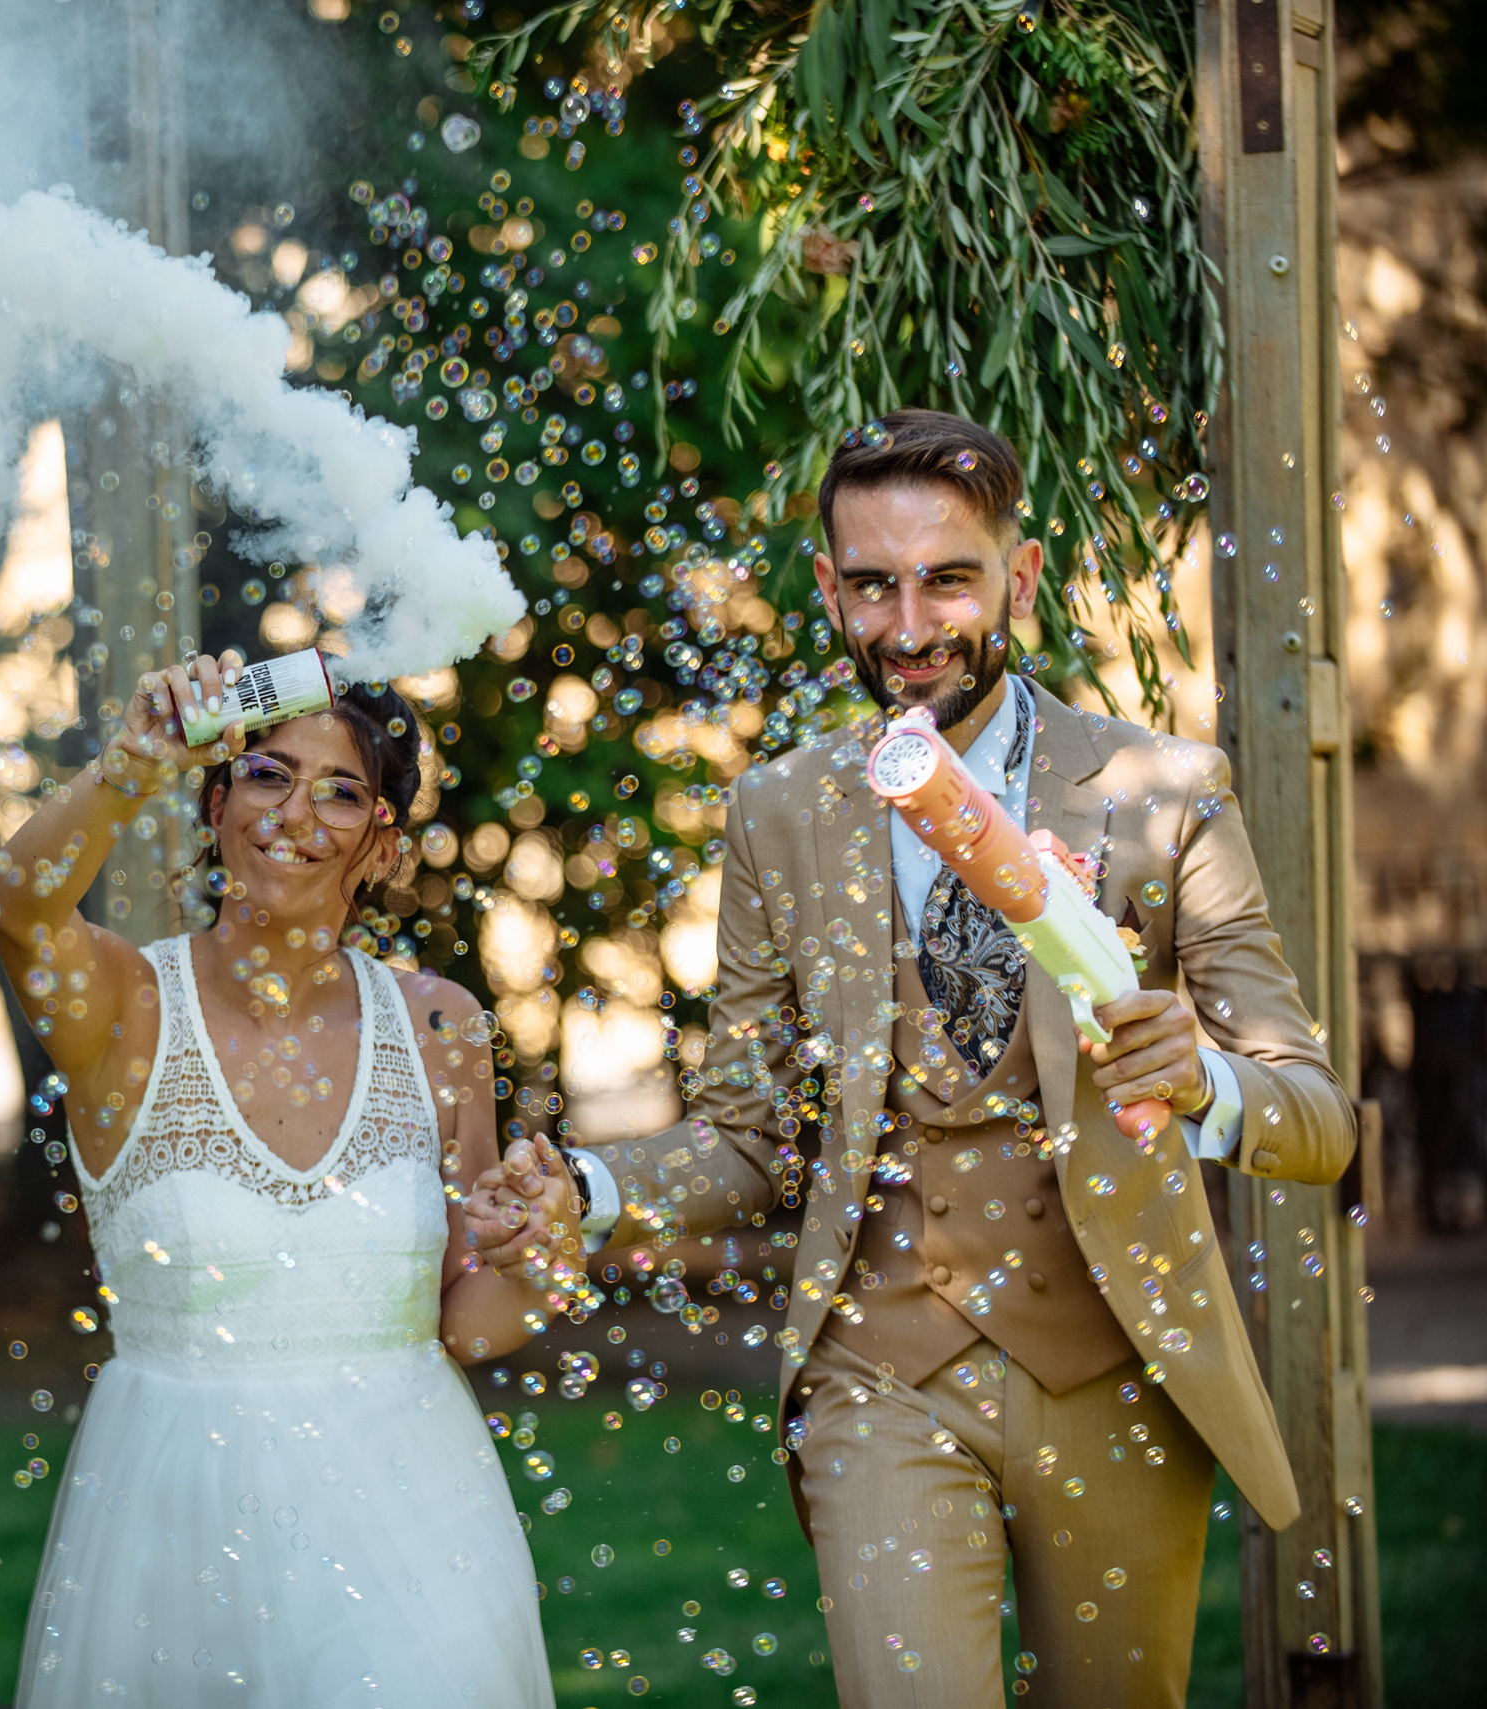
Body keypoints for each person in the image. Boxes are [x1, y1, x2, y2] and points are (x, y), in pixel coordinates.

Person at [472, 408, 1356, 1708]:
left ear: (1022, 577)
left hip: (1115, 1373)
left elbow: (1317, 1116)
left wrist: (1207, 1081)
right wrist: (589, 1194)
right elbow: (747, 1131)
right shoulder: (782, 810)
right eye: (872, 584)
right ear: (828, 586)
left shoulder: (1162, 789)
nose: (907, 626)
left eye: (948, 577)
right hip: (878, 1373)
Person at [0, 648, 567, 1708]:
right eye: (266, 773)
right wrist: (130, 762)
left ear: (383, 845)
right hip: (176, 1523)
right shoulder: (124, 1003)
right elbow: (23, 905)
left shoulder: (440, 1025)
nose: (294, 809)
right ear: (215, 800)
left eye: (342, 788)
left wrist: (546, 1252)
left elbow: (472, 1319)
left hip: (414, 1516)